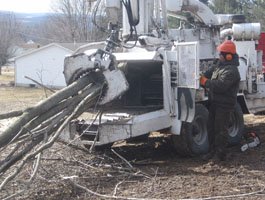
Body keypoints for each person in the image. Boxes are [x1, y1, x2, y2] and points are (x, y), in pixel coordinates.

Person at [200, 39, 241, 161]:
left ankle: (220, 154)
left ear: (228, 56)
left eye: (220, 54)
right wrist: (200, 75)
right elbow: (208, 73)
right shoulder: (220, 66)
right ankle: (212, 152)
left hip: (224, 105)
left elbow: (220, 86)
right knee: (211, 127)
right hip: (215, 103)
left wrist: (205, 82)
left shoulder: (232, 71)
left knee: (220, 130)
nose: (219, 56)